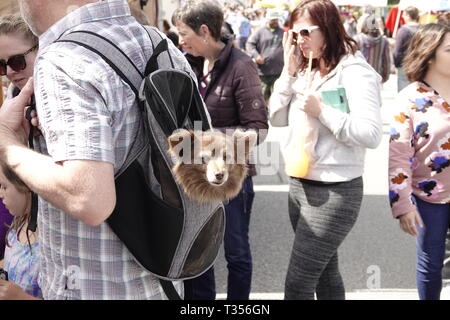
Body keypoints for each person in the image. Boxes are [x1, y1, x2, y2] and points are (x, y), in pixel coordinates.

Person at [0, 0, 192, 300]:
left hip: (96, 287)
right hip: (161, 276)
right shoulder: (157, 42)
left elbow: (88, 199)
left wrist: (6, 142)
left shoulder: (63, 57)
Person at [269, 0, 382, 300]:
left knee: (298, 284)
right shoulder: (307, 69)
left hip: (335, 191)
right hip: (299, 183)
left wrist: (323, 112)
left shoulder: (355, 71)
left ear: (329, 29)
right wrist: (287, 73)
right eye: (294, 34)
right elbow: (276, 118)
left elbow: (370, 134)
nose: (299, 40)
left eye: (306, 32)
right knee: (325, 276)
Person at [172, 0, 268, 300]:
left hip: (231, 179)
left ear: (204, 30)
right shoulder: (190, 64)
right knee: (201, 251)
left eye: (183, 32)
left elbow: (258, 128)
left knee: (236, 252)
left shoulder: (242, 66)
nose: (179, 40)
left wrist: (208, 141)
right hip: (200, 179)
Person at [388, 23, 450, 300]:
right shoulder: (409, 98)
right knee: (431, 264)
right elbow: (399, 154)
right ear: (429, 55)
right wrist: (402, 204)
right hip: (429, 198)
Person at [0, 13, 38, 267]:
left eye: (17, 61)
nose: (10, 72)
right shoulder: (15, 101)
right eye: (2, 65)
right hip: (22, 227)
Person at [0, 162, 41, 300]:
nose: (1, 194)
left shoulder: (49, 242)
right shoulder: (18, 223)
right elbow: (11, 261)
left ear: (25, 186)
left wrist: (21, 297)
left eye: (4, 186)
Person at [246, 8, 284, 102]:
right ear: (268, 19)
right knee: (263, 97)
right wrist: (256, 55)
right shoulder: (259, 32)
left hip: (279, 70)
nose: (275, 21)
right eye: (273, 20)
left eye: (276, 19)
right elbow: (249, 44)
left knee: (277, 97)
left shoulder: (282, 32)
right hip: (264, 71)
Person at [354, 14, 391, 83]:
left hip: (359, 77)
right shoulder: (383, 41)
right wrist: (385, 77)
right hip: (376, 77)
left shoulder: (357, 39)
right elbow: (386, 61)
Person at [393, 6, 420, 92]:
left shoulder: (403, 31)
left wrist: (396, 64)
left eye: (404, 15)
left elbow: (398, 51)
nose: (402, 17)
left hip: (405, 66)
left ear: (408, 16)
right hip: (420, 65)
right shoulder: (424, 28)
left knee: (404, 94)